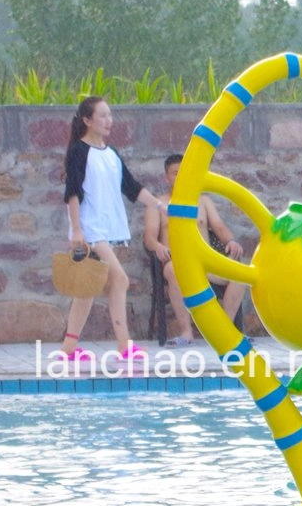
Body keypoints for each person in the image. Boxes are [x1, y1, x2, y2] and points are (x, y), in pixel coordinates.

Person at [58, 96, 167, 362]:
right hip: (90, 231)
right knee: (120, 280)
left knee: (88, 288)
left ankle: (68, 350)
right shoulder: (78, 152)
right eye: (103, 115)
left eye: (110, 115)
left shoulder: (112, 154)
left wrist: (159, 205)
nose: (109, 120)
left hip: (104, 230)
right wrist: (77, 232)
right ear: (87, 120)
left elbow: (131, 187)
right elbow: (72, 193)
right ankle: (124, 346)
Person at [143, 153, 246, 347]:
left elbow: (220, 227)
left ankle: (224, 332)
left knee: (239, 273)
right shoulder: (158, 205)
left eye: (184, 172)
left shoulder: (203, 202)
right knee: (174, 270)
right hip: (176, 262)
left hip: (206, 261)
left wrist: (231, 240)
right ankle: (186, 331)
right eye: (175, 173)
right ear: (167, 177)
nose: (180, 177)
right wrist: (157, 246)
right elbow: (149, 235)